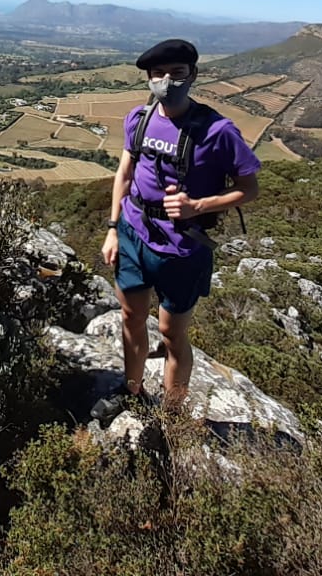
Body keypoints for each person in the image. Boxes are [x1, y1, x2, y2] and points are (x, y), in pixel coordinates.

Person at [100, 38, 261, 412]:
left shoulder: (218, 131)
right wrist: (112, 229)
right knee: (130, 317)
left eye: (177, 73)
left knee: (172, 333)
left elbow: (250, 188)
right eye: (158, 74)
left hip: (183, 248)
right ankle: (132, 392)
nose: (167, 82)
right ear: (148, 78)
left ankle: (172, 415)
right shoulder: (138, 120)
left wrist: (198, 206)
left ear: (193, 76)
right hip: (133, 234)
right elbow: (125, 173)